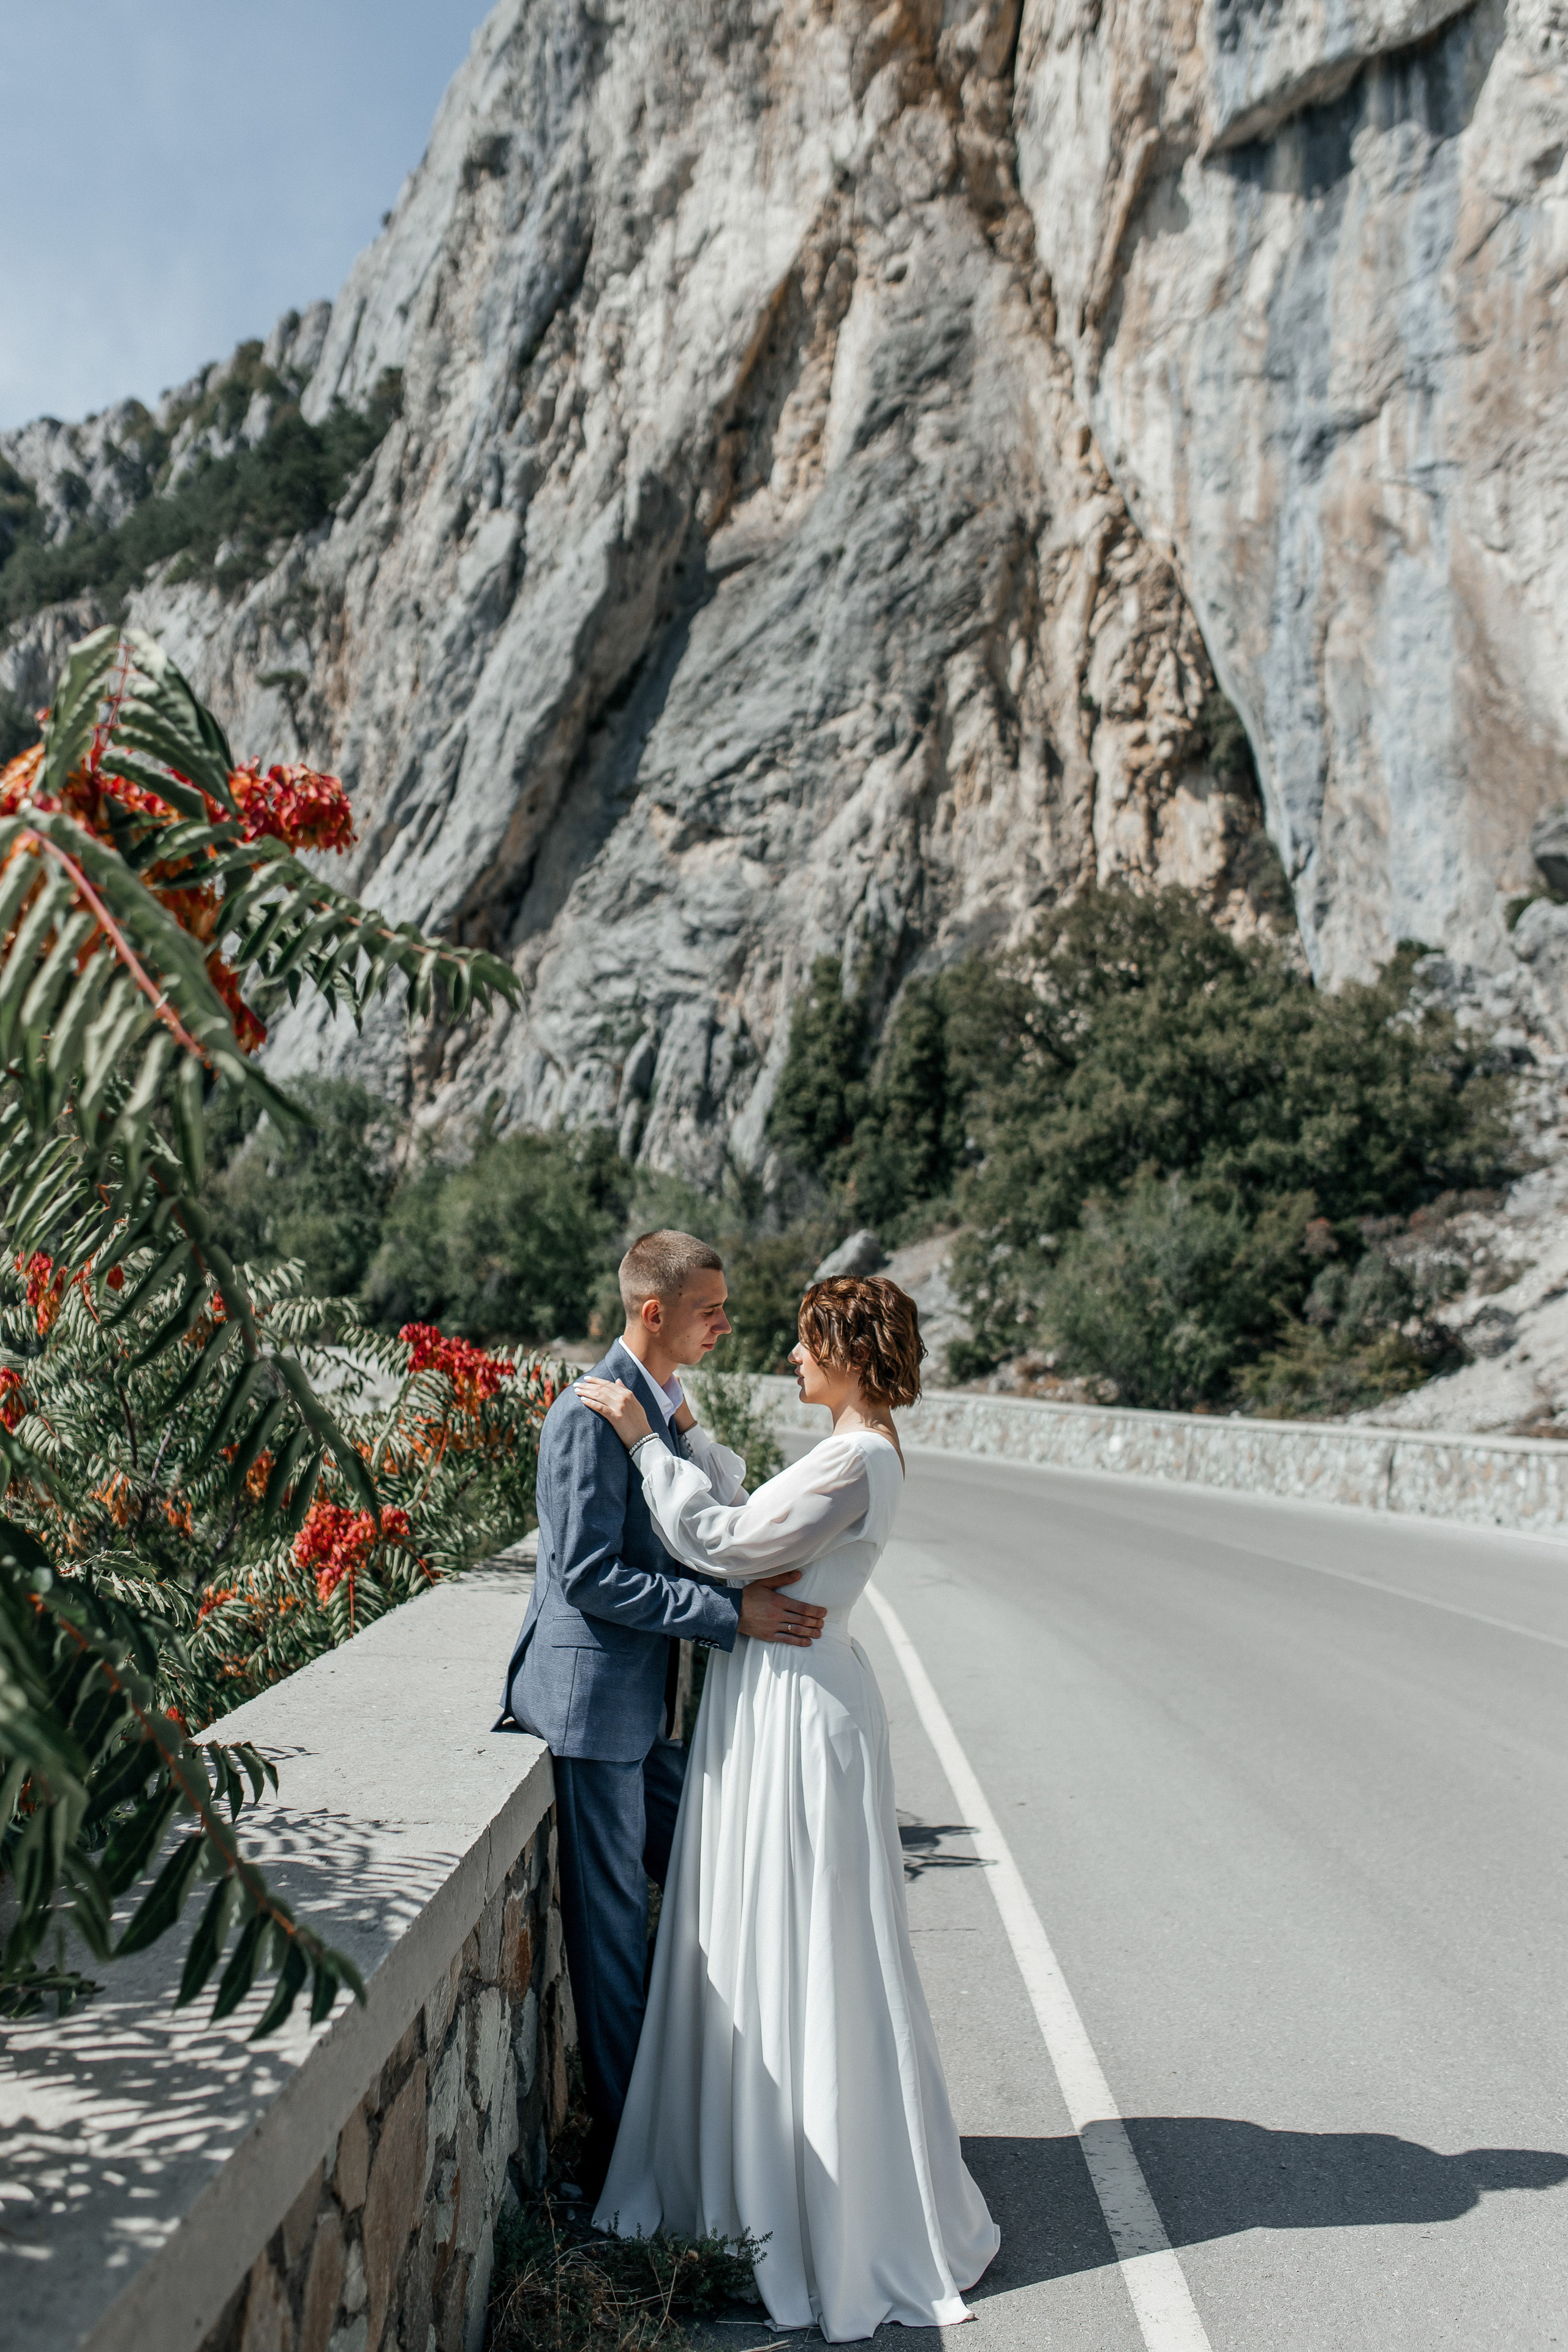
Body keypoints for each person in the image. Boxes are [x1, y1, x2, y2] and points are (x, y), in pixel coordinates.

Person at [575, 1274, 1000, 2343]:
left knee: (801, 1942)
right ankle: (782, 2182)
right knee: (793, 1939)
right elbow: (753, 1510)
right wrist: (686, 1429)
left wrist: (640, 1442)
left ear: (851, 1354)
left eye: (808, 1345)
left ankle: (804, 2212)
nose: (792, 1360)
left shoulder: (856, 1457)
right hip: (786, 1697)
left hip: (799, 1716)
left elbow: (724, 1543)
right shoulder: (858, 1451)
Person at [498, 1231, 827, 2188]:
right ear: (655, 1312)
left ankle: (696, 2121)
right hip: (591, 1703)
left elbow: (692, 1528)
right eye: (710, 1309)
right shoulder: (587, 1415)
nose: (727, 1323)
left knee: (726, 1860)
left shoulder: (658, 1406)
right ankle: (629, 2161)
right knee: (612, 1939)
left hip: (641, 1705)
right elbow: (590, 1576)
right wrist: (734, 1616)